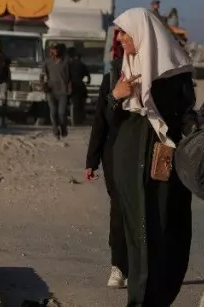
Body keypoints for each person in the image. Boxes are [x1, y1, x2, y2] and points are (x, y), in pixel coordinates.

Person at [109, 7, 197, 307]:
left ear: (142, 32)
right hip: (129, 160)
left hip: (162, 162)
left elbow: (186, 114)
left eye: (123, 32)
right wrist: (116, 97)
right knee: (136, 232)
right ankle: (139, 300)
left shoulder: (175, 72)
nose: (119, 38)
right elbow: (108, 121)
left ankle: (159, 296)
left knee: (163, 227)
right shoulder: (122, 71)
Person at [86, 29, 129, 289]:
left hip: (145, 158)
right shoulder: (111, 76)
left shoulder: (156, 75)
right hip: (115, 155)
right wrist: (92, 160)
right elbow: (101, 121)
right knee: (119, 212)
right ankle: (119, 266)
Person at [42, 44, 73, 139]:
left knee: (61, 113)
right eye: (52, 49)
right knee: (53, 112)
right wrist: (43, 84)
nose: (54, 51)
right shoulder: (47, 62)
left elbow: (70, 76)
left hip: (63, 91)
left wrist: (70, 88)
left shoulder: (66, 61)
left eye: (56, 49)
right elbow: (43, 75)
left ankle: (63, 128)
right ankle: (55, 131)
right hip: (51, 91)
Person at [67, 47, 90, 126]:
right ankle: (81, 116)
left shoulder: (69, 64)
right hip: (80, 85)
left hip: (71, 86)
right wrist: (88, 81)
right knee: (83, 100)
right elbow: (88, 76)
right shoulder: (83, 65)